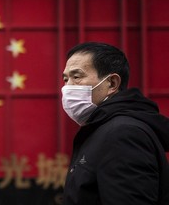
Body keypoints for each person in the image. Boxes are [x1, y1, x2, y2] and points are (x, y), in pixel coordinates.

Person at [61, 42, 169, 205]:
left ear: (111, 83)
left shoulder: (123, 134)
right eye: (65, 79)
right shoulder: (100, 129)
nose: (67, 87)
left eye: (76, 77)